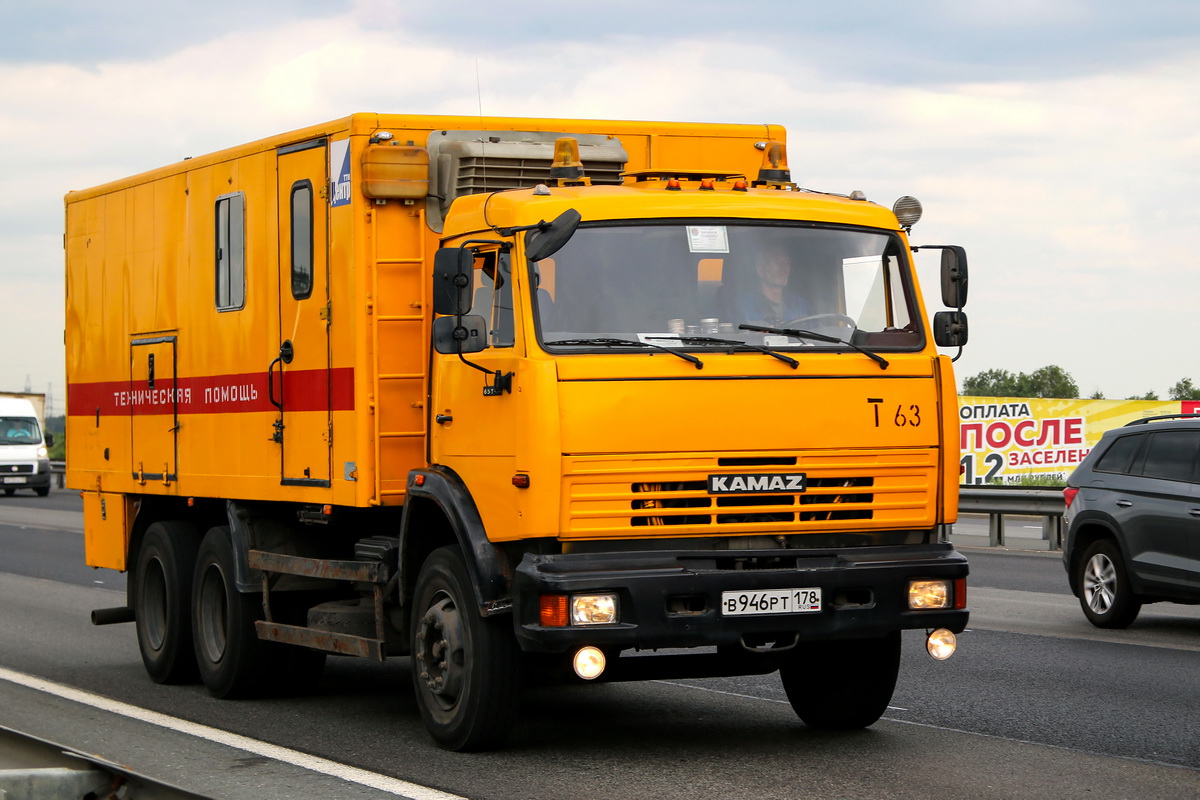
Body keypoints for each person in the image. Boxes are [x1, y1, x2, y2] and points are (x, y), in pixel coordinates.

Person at [726, 245, 811, 326]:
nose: (784, 268)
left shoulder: (800, 305)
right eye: (777, 263)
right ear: (761, 271)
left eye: (787, 263)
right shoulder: (742, 307)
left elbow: (818, 332)